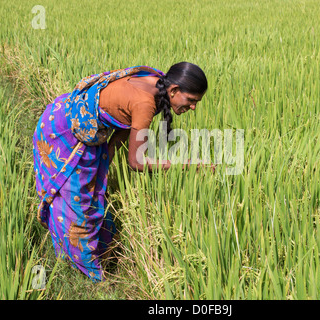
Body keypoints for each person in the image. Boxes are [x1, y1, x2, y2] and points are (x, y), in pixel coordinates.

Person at [32, 62, 208, 281]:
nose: (193, 107)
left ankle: (72, 252)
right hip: (64, 133)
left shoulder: (157, 81)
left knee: (87, 193)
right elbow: (135, 163)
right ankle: (85, 269)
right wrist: (186, 165)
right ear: (173, 91)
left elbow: (120, 130)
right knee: (78, 203)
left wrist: (102, 173)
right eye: (191, 101)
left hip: (64, 113)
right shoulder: (145, 103)